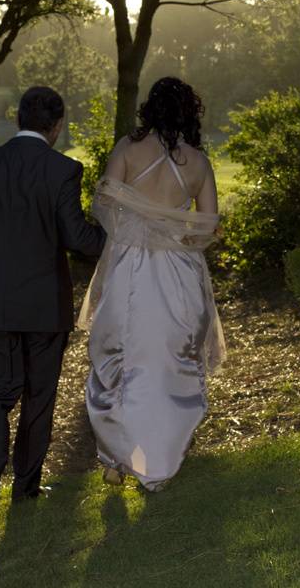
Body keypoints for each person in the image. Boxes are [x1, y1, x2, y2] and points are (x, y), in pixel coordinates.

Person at [0, 86, 105, 536]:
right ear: (56, 126)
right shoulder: (62, 169)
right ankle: (27, 486)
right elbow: (77, 237)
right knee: (38, 397)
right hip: (44, 308)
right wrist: (120, 241)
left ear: (18, 119)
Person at [78, 77, 226, 492]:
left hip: (129, 266)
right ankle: (157, 459)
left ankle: (113, 458)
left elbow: (104, 205)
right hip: (178, 271)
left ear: (150, 109)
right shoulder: (198, 162)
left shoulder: (127, 148)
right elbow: (207, 226)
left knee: (121, 361)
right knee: (170, 365)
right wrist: (175, 231)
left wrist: (138, 221)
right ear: (189, 113)